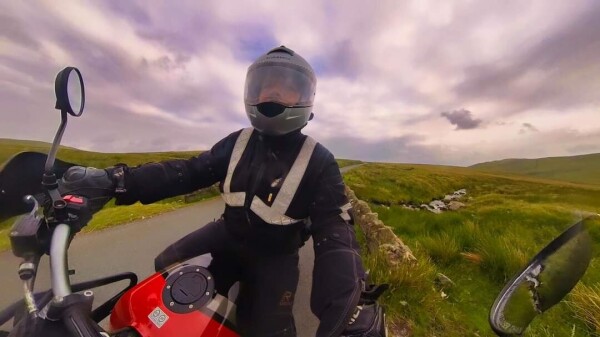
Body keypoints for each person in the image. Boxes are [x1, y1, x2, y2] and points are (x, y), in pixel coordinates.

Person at [59, 46, 386, 337]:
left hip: (276, 255)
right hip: (228, 234)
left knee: (265, 328)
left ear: (305, 100)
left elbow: (336, 234)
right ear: (250, 94)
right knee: (166, 265)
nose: (272, 94)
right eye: (264, 86)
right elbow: (188, 172)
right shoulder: (237, 141)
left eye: (285, 89)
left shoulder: (320, 161)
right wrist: (117, 180)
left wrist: (350, 304)